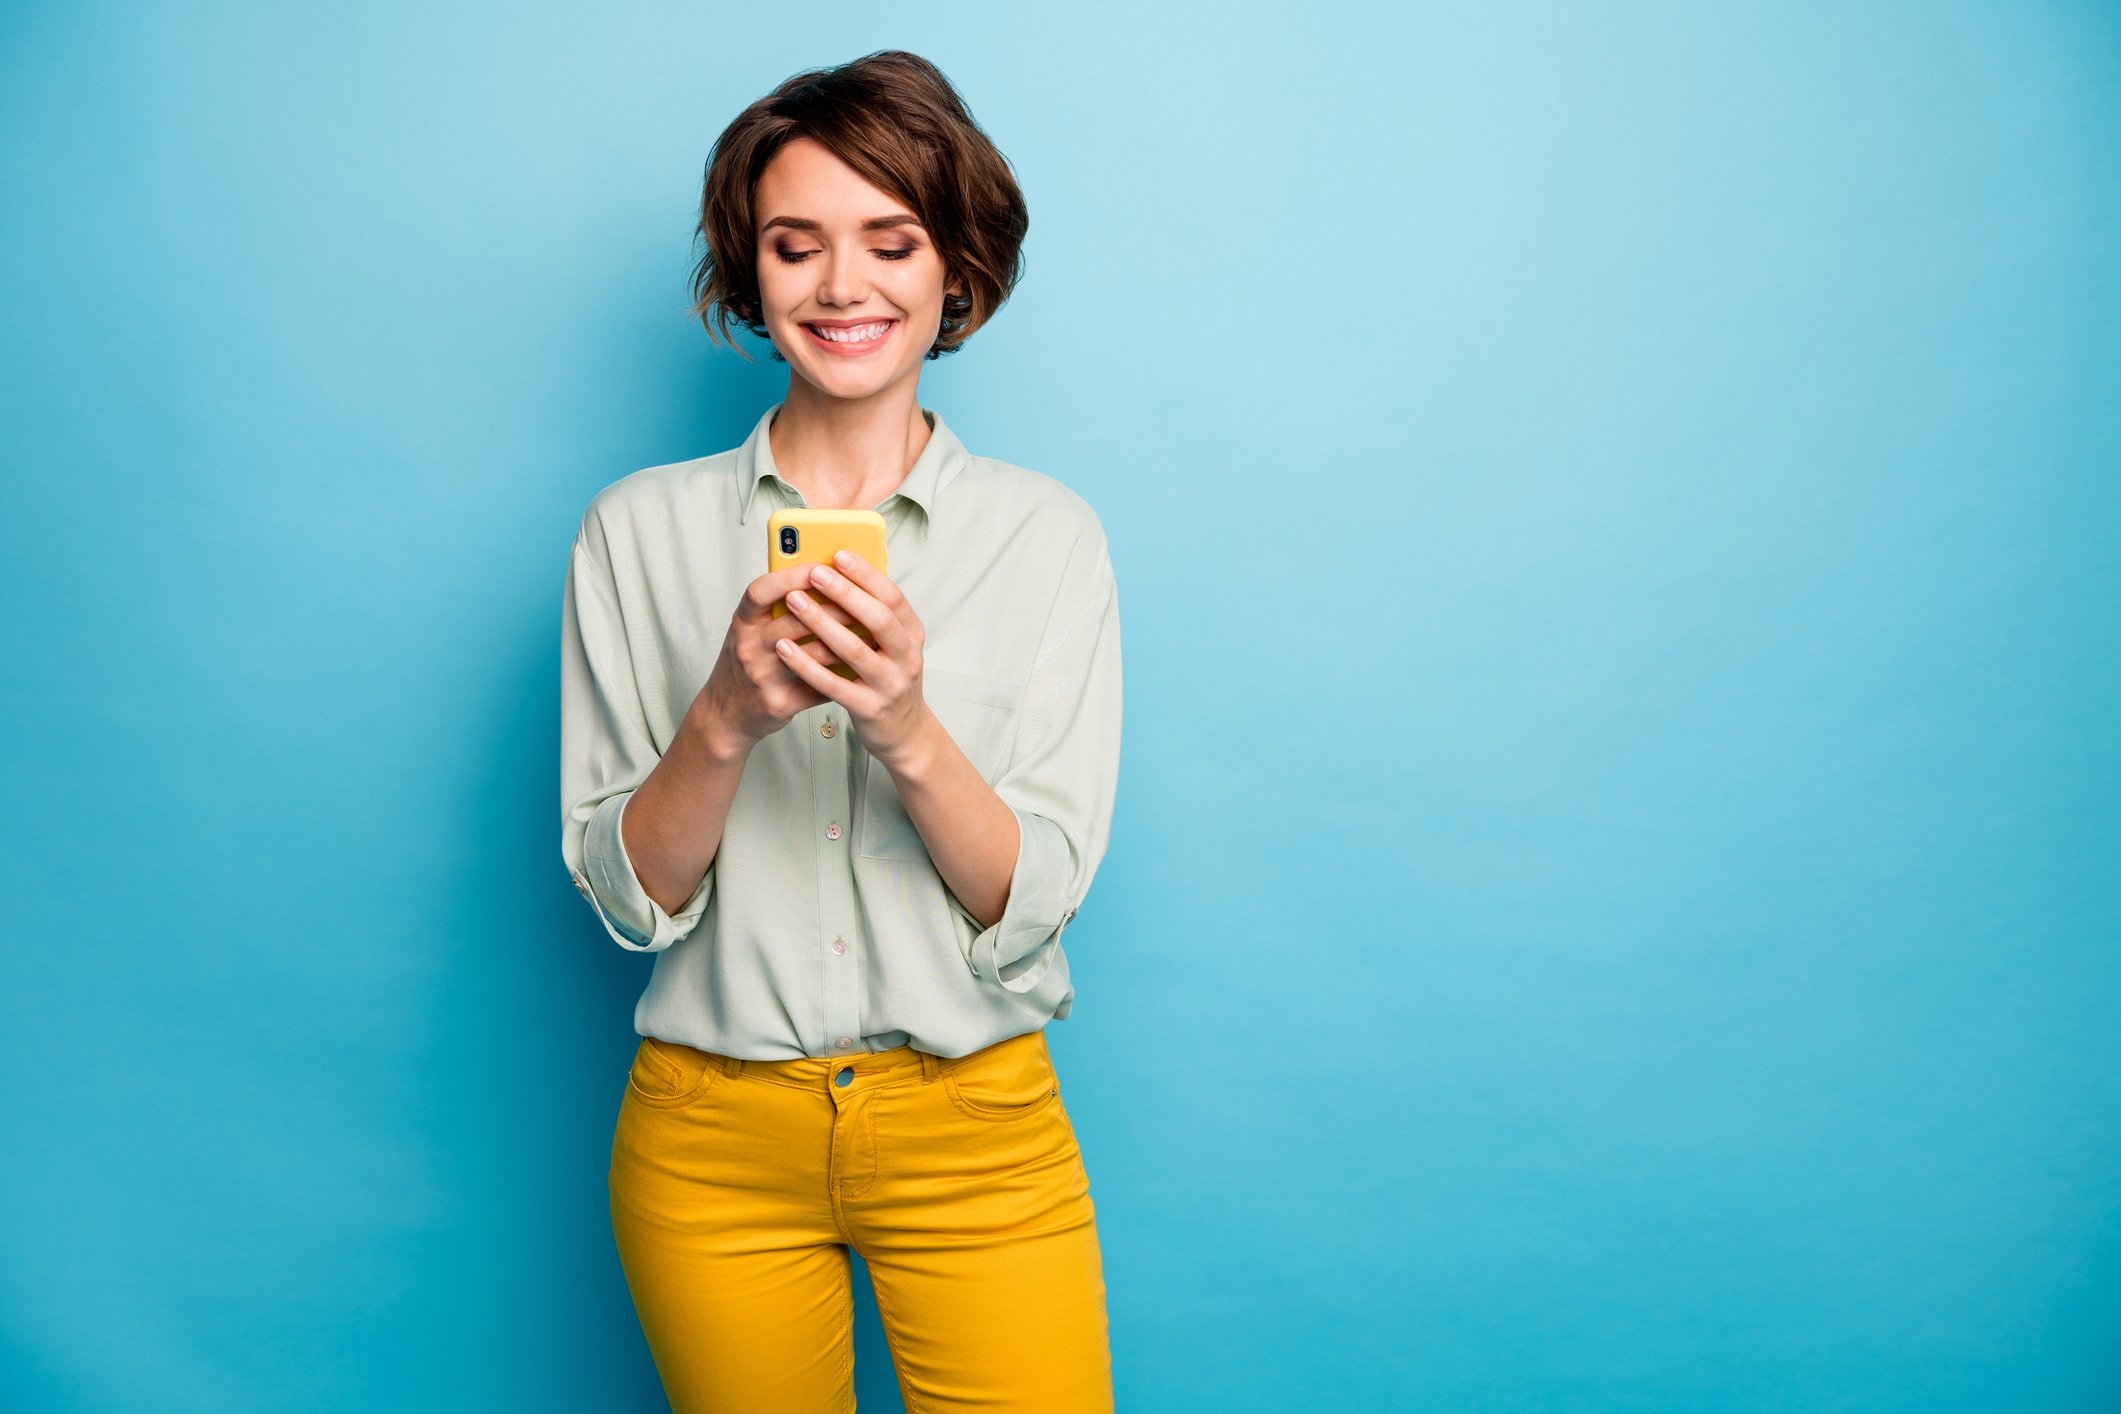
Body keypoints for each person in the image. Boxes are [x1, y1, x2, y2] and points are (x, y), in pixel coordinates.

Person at [558, 49, 1122, 1413]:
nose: (841, 285)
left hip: (973, 1124)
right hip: (710, 1135)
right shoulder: (635, 531)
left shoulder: (1045, 537)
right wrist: (724, 718)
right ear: (749, 277)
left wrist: (905, 726)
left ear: (954, 272)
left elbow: (1028, 900)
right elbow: (628, 897)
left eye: (891, 240)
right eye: (792, 245)